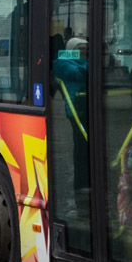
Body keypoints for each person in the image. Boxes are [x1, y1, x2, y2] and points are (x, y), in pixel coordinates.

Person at [52, 37, 90, 193]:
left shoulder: (80, 63)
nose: (83, 53)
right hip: (75, 108)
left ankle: (86, 181)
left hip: (85, 106)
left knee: (86, 146)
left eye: (86, 50)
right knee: (81, 146)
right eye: (80, 49)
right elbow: (79, 74)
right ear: (71, 51)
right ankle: (81, 184)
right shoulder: (62, 64)